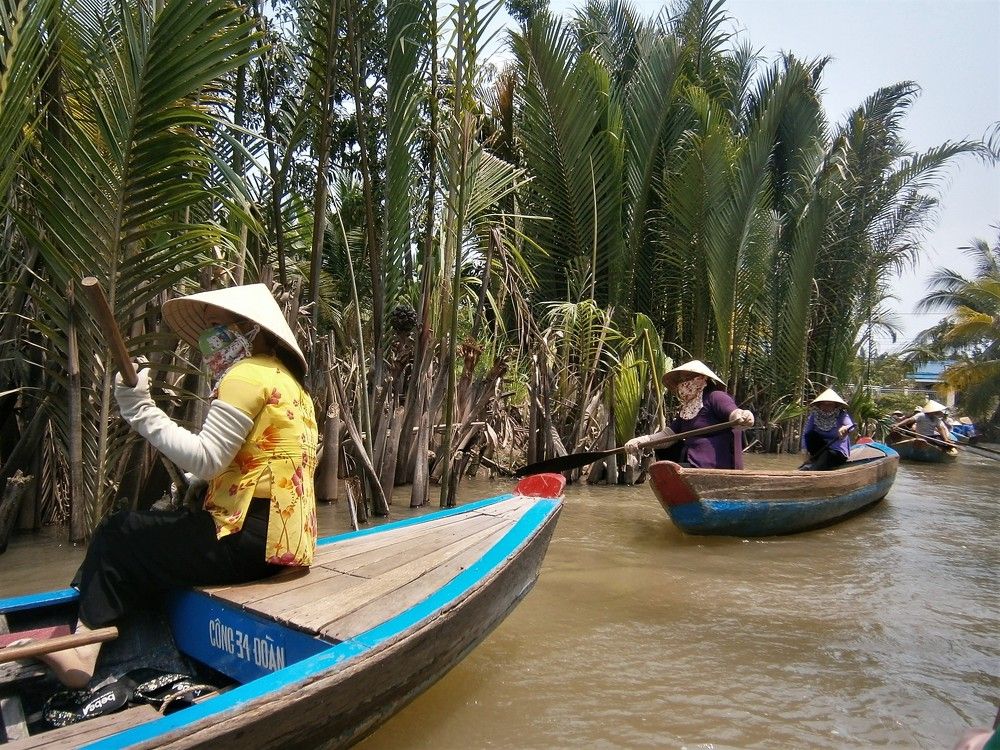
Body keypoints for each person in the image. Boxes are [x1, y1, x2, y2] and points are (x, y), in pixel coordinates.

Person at [24, 284, 319, 688]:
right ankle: (94, 626)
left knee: (118, 533)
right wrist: (202, 484)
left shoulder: (245, 375)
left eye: (219, 326)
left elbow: (205, 456)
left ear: (250, 329)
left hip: (247, 539)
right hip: (284, 545)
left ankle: (81, 654)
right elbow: (265, 462)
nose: (210, 337)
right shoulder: (293, 387)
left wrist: (142, 412)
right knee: (154, 535)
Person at [624, 360, 754, 469]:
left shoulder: (716, 397)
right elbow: (668, 436)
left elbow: (734, 413)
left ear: (701, 379)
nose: (682, 383)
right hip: (692, 463)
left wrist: (743, 416)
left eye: (686, 378)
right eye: (681, 380)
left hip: (715, 465)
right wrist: (641, 441)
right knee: (665, 459)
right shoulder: (687, 408)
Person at [800, 388, 855, 471]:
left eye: (830, 404)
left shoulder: (841, 414)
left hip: (837, 452)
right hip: (820, 451)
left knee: (827, 454)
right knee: (810, 435)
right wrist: (805, 454)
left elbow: (851, 426)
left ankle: (813, 471)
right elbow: (806, 433)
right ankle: (813, 462)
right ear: (819, 405)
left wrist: (844, 428)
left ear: (835, 405)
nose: (826, 407)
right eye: (823, 404)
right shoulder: (814, 415)